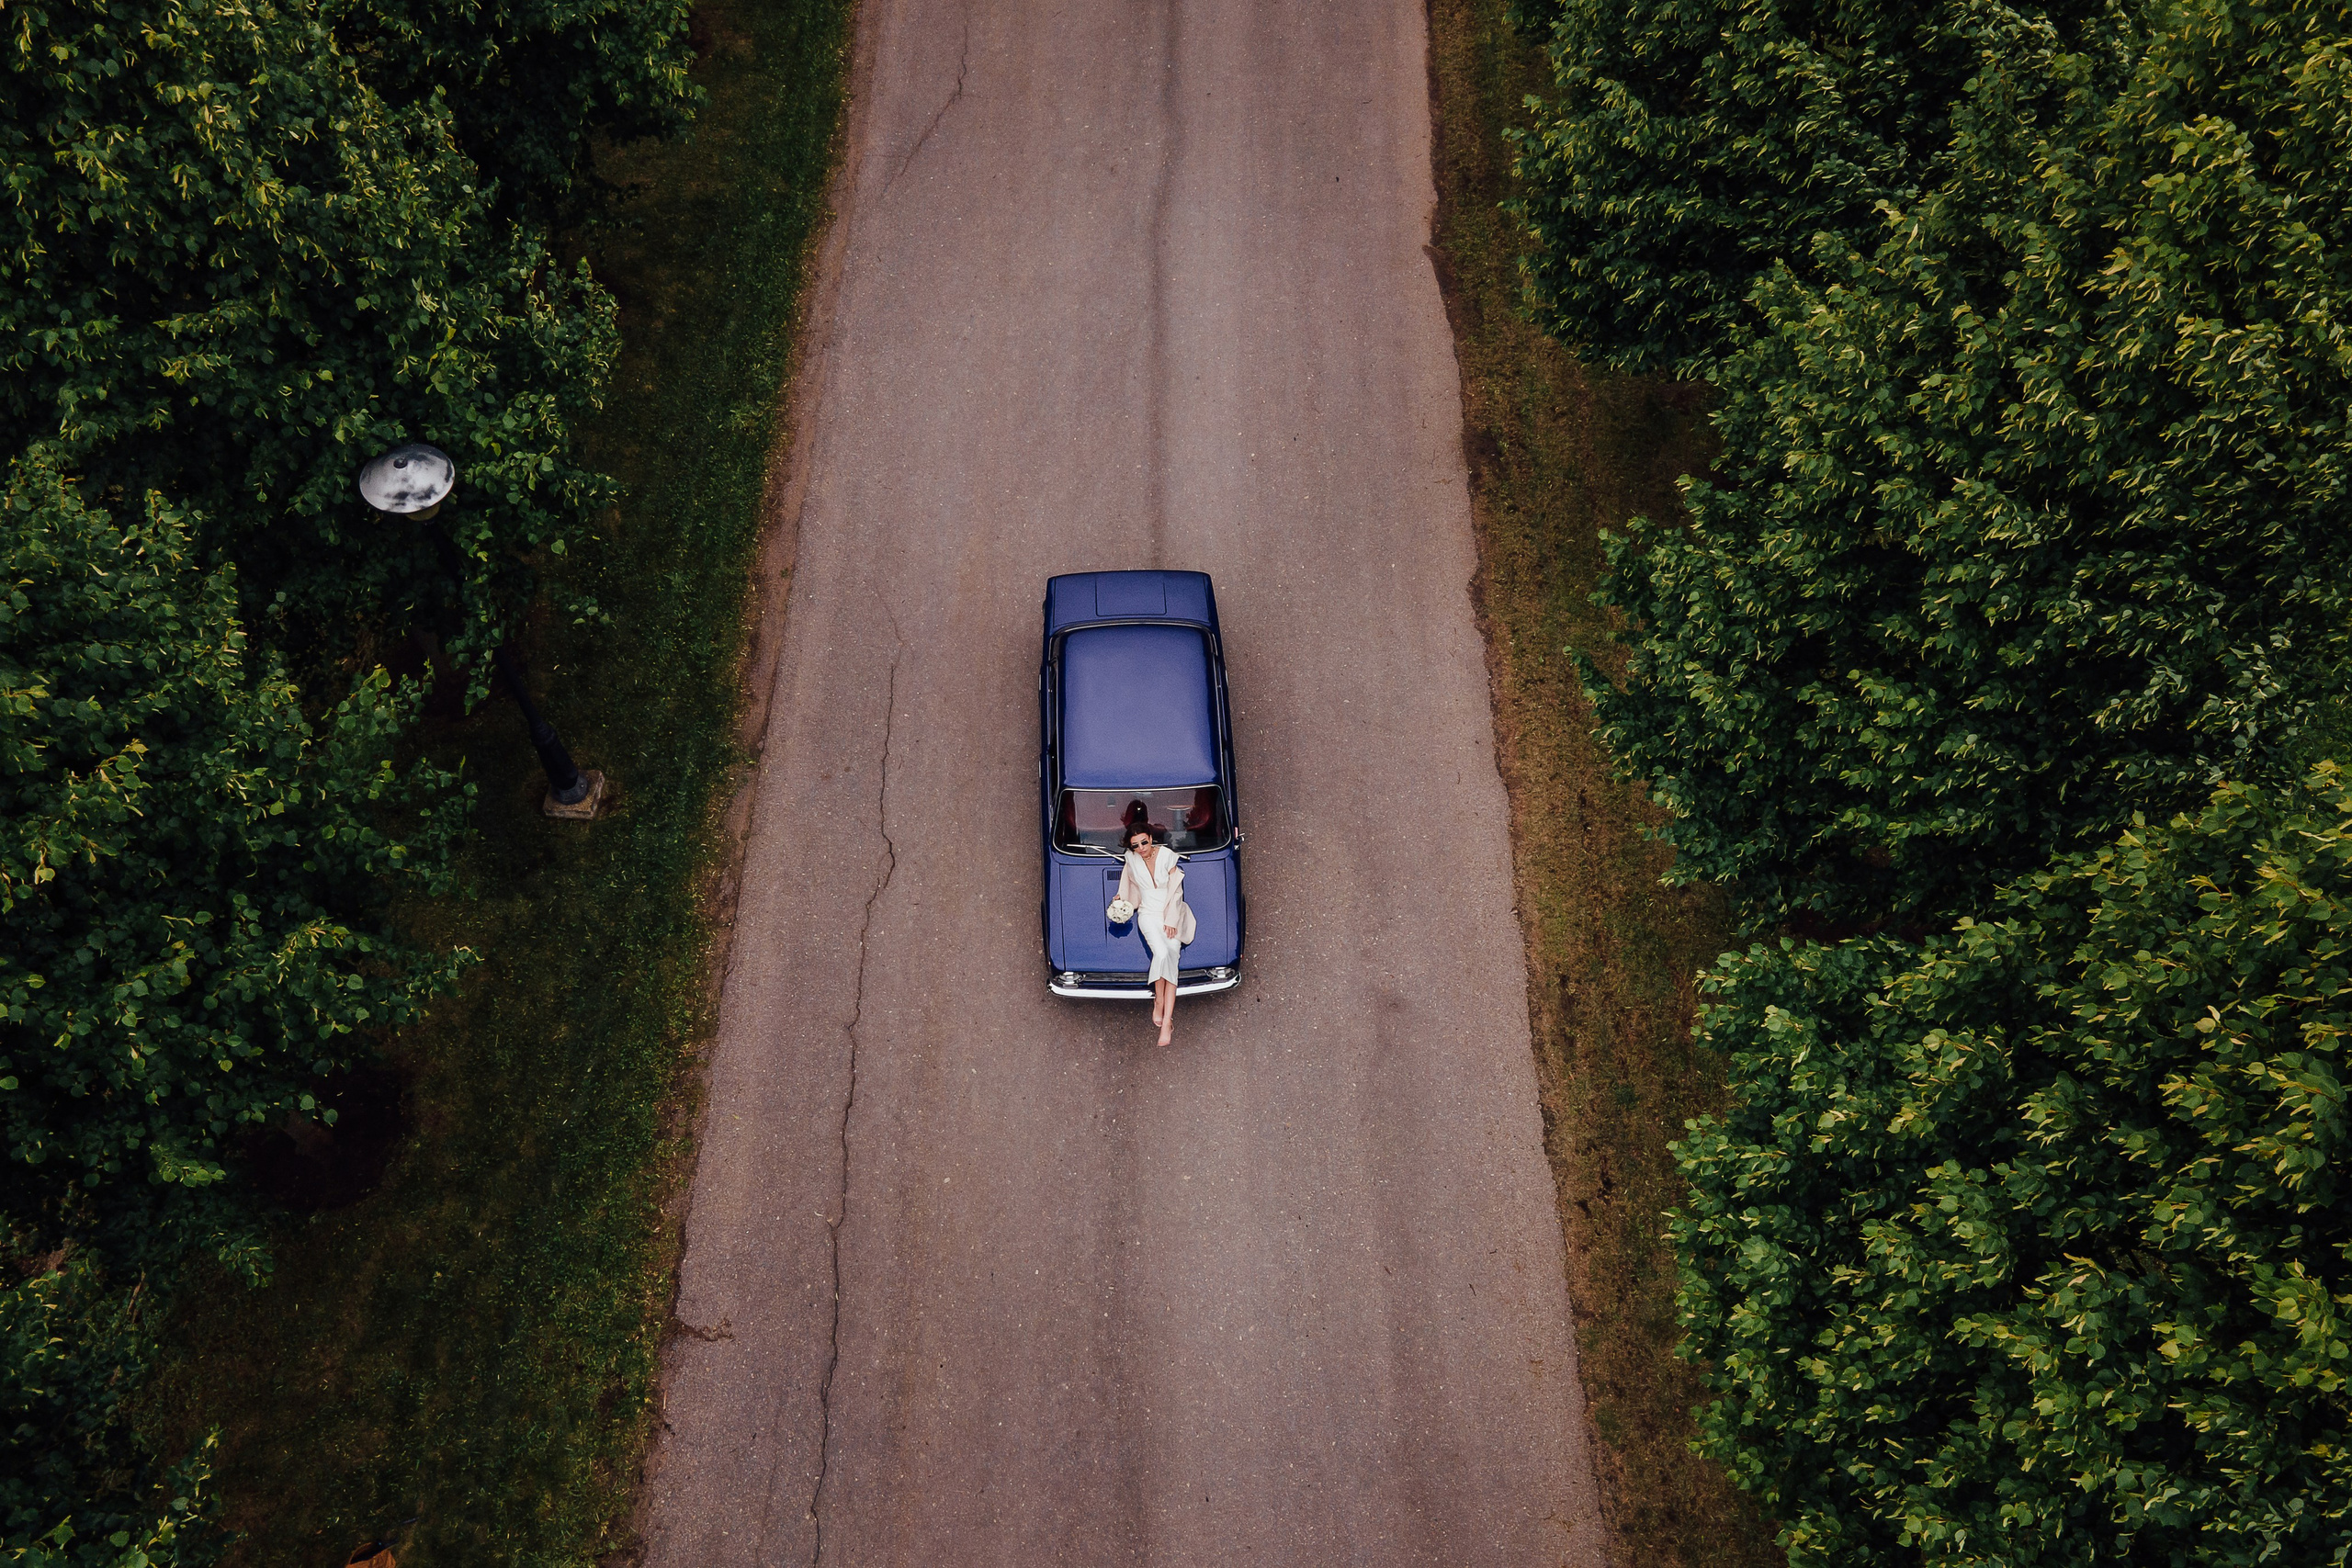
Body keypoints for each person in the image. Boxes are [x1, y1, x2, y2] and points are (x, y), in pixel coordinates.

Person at [1116, 819, 1194, 1046]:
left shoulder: (1167, 855)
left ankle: (1167, 1021)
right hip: (1148, 914)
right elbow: (1127, 882)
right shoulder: (1131, 859)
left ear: (1150, 838)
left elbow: (1176, 890)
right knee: (1161, 954)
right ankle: (1158, 1000)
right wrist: (1121, 900)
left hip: (1171, 911)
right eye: (1135, 845)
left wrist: (1172, 919)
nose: (1141, 848)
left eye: (1143, 842)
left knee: (1172, 956)